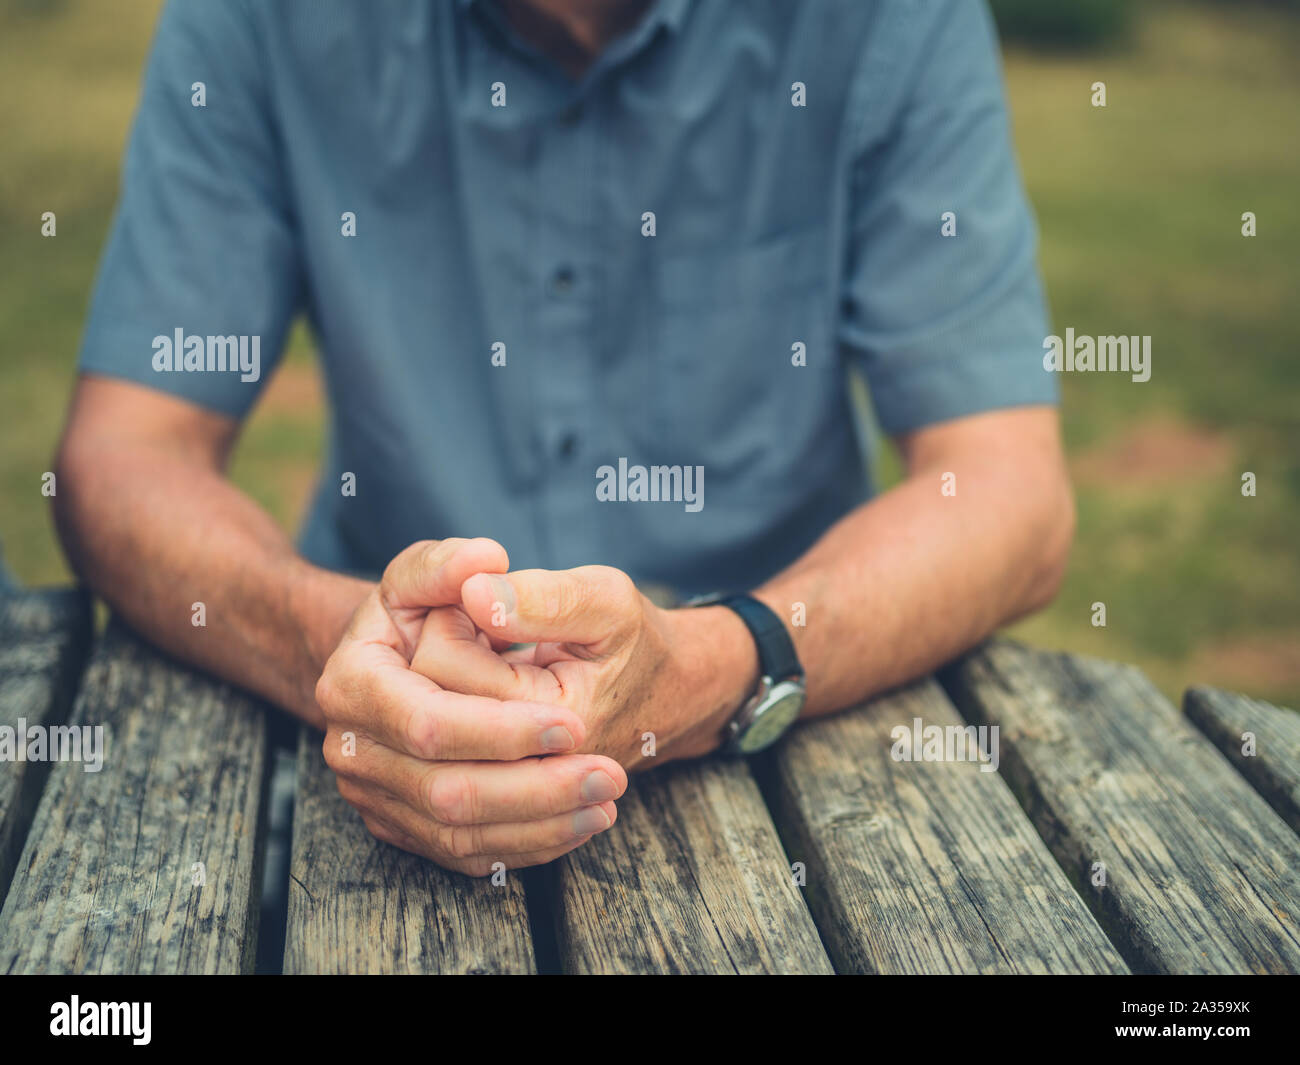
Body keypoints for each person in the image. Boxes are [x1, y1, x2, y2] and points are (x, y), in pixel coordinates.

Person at [54, 0, 1074, 876]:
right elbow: (129, 454)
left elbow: (1007, 493)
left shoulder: (887, 19)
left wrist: (712, 664)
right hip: (355, 746)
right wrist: (348, 647)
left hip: (793, 744)